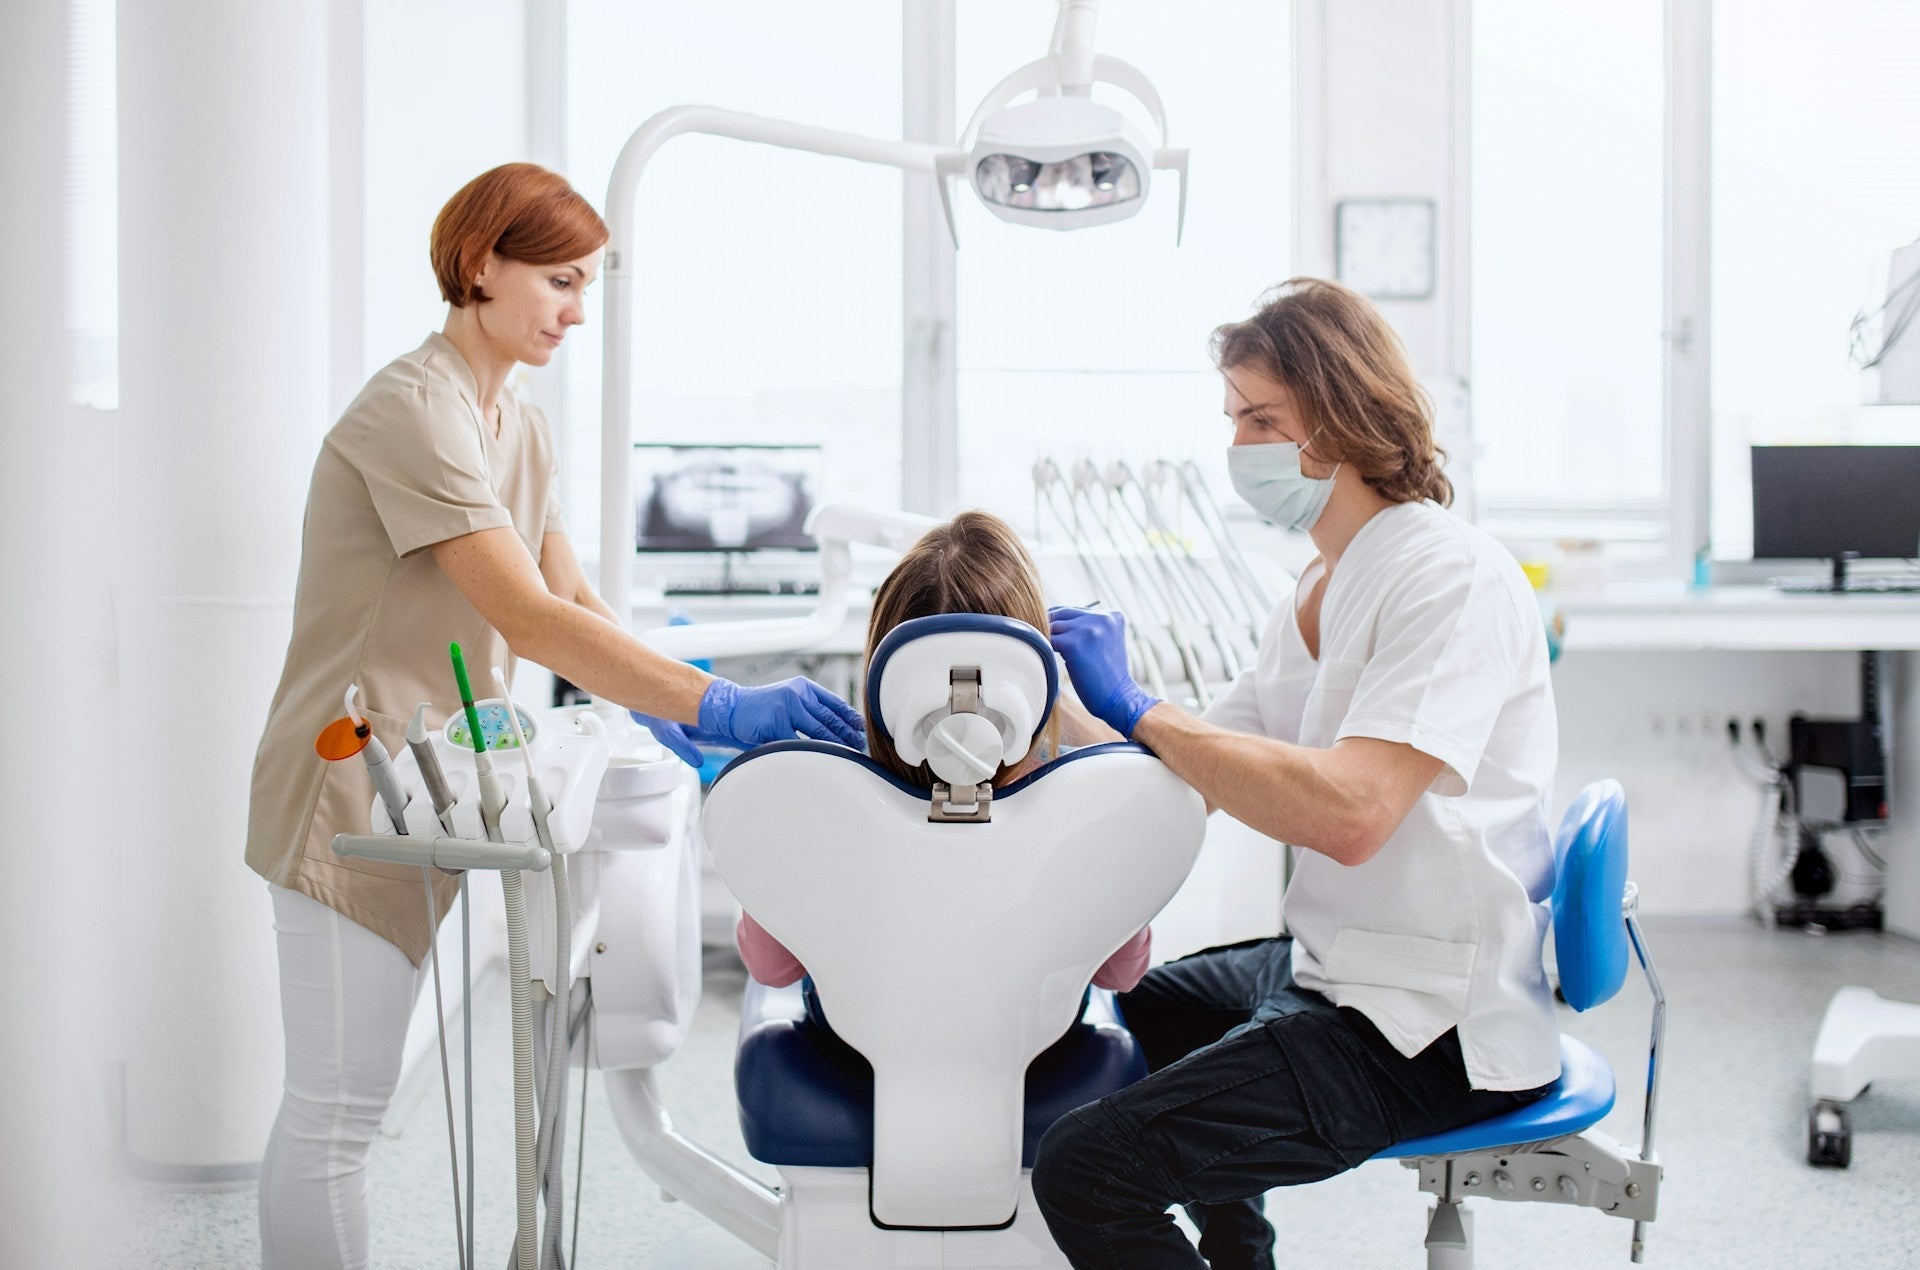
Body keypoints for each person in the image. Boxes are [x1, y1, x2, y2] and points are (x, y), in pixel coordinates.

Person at [246, 162, 862, 1269]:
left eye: (589, 285)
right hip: (348, 782)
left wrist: (671, 708)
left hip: (435, 785)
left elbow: (571, 594)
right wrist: (723, 703)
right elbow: (526, 618)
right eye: (561, 280)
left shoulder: (516, 422)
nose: (578, 311)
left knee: (353, 1102)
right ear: (482, 265)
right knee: (338, 1111)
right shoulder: (413, 411)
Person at [1033, 278, 1561, 1269]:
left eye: (1263, 420)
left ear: (1344, 416)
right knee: (1133, 1017)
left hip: (1431, 1021)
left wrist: (1139, 704)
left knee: (1085, 1168)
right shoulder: (1320, 585)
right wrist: (1052, 706)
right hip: (1342, 959)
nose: (1240, 447)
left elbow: (1353, 814)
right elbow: (1195, 765)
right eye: (1235, 419)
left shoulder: (1447, 575)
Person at [731, 509, 1153, 995]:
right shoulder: (1078, 803)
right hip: (1036, 1038)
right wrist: (1077, 719)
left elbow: (772, 968)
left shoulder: (830, 798)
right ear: (1032, 670)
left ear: (883, 666)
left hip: (856, 1039)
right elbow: (1120, 975)